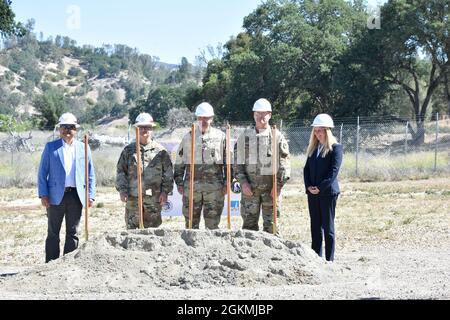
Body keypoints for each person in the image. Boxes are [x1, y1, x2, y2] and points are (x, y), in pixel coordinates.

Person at [38, 112, 96, 263]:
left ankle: (68, 264)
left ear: (76, 130)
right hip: (55, 196)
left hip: (76, 196)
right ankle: (51, 264)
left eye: (71, 127)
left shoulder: (84, 148)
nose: (67, 130)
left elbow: (90, 173)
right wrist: (43, 194)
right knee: (53, 233)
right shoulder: (51, 147)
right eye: (64, 127)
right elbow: (42, 173)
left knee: (73, 232)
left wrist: (91, 195)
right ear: (59, 129)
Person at [234, 98, 291, 233]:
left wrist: (277, 187)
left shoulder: (277, 137)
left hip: (270, 191)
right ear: (253, 115)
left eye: (264, 114)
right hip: (250, 191)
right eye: (257, 114)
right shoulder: (245, 137)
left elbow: (284, 164)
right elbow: (237, 163)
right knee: (249, 228)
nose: (260, 117)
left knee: (271, 228)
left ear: (269, 115)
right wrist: (243, 183)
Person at [174, 102, 228, 229]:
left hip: (214, 190)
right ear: (197, 118)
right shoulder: (188, 138)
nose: (203, 121)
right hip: (192, 190)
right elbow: (179, 163)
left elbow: (228, 163)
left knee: (213, 226)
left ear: (212, 118)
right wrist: (179, 183)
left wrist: (227, 182)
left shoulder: (221, 137)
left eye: (207, 118)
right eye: (200, 118)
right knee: (191, 226)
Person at [116, 113, 173, 229]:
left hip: (153, 200)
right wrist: (122, 190)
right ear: (136, 129)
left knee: (152, 233)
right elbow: (121, 171)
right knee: (132, 232)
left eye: (147, 127)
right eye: (141, 127)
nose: (144, 130)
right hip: (133, 199)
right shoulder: (128, 151)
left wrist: (165, 192)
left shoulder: (161, 152)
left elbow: (168, 174)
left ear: (152, 129)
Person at [303, 114, 343, 262]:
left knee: (328, 226)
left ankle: (329, 260)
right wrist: (309, 187)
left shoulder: (335, 148)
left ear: (327, 131)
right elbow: (306, 169)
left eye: (320, 130)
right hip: (312, 193)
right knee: (315, 226)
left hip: (327, 193)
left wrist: (320, 187)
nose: (317, 133)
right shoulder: (313, 148)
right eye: (316, 130)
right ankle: (316, 259)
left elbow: (333, 171)